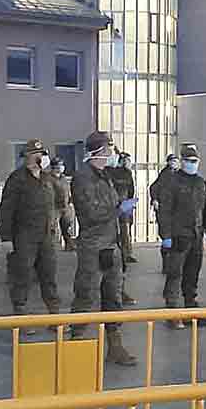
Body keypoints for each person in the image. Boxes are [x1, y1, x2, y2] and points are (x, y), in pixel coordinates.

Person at [69, 131, 137, 367]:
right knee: (86, 295)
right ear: (100, 150)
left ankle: (115, 347)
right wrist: (119, 209)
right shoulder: (83, 178)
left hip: (110, 244)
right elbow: (90, 214)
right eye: (109, 147)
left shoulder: (104, 175)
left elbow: (107, 206)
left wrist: (121, 206)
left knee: (113, 297)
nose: (112, 153)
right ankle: (76, 344)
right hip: (93, 247)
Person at [0, 140, 60, 321]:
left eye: (41, 154)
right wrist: (7, 238)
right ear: (27, 157)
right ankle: (20, 314)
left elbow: (59, 201)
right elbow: (6, 208)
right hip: (24, 235)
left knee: (49, 275)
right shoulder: (17, 179)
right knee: (22, 276)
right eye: (35, 154)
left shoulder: (48, 178)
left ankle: (54, 316)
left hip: (46, 235)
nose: (39, 157)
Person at [159, 146, 206, 328]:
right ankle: (173, 310)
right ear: (182, 161)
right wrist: (166, 235)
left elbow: (205, 207)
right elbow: (165, 210)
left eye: (195, 161)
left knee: (192, 273)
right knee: (175, 273)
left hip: (196, 235)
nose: (192, 164)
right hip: (178, 235)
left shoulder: (200, 183)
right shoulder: (172, 182)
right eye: (188, 161)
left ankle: (191, 307)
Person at [150, 153, 180, 272]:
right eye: (172, 161)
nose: (174, 164)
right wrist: (155, 200)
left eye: (176, 161)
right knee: (167, 238)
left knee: (175, 239)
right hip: (164, 211)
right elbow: (153, 188)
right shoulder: (164, 175)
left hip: (176, 212)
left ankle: (173, 264)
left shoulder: (181, 175)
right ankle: (166, 265)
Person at [107, 151, 137, 264]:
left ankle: (120, 253)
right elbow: (131, 190)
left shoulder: (109, 172)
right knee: (125, 231)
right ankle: (126, 254)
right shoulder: (127, 173)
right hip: (124, 205)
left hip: (115, 205)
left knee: (117, 230)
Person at [51, 159, 76, 251]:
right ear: (54, 167)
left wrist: (70, 201)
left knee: (66, 228)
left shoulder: (63, 178)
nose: (61, 167)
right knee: (54, 229)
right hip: (54, 207)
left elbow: (67, 191)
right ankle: (55, 246)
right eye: (59, 166)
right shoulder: (49, 179)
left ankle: (69, 245)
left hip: (65, 207)